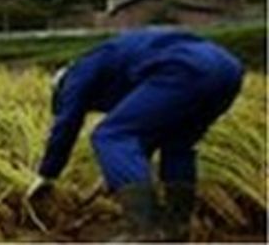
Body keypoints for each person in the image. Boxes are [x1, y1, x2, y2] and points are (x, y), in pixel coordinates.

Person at [27, 27, 244, 241]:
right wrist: (117, 172)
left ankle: (145, 228)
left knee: (110, 135)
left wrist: (47, 174)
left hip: (183, 68)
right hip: (228, 69)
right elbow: (146, 130)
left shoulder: (77, 73)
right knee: (177, 143)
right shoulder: (115, 70)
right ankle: (178, 225)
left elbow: (67, 123)